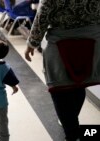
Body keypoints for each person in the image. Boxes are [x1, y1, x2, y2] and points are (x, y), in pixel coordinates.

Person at [25, 0, 100, 141]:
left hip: (61, 43)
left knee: (59, 88)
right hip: (91, 41)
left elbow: (42, 15)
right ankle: (70, 123)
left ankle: (71, 130)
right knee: (79, 84)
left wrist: (32, 43)